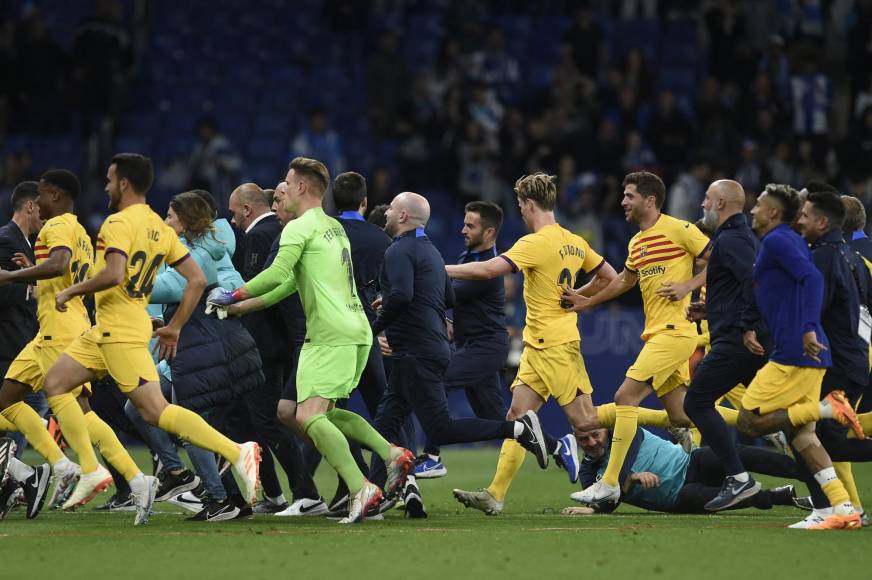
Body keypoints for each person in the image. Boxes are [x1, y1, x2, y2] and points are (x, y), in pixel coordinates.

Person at [40, 153, 260, 526]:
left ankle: (236, 452)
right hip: (111, 329)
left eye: (110, 180)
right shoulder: (158, 226)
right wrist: (174, 325)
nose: (107, 186)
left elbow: (113, 273)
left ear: (124, 183)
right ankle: (100, 470)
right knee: (56, 384)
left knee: (153, 412)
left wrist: (71, 291)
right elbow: (196, 279)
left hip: (118, 332)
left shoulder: (118, 223)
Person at [209, 157, 414, 524]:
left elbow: (276, 273)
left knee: (308, 415)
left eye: (288, 182)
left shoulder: (298, 228)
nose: (281, 191)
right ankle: (390, 453)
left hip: (329, 335)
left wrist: (233, 295)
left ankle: (360, 486)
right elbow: (289, 285)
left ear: (302, 187)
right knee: (314, 413)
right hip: (356, 331)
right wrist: (243, 307)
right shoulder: (332, 227)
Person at [371, 188, 554, 516]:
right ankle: (373, 493)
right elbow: (448, 299)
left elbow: (404, 295)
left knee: (438, 422)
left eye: (390, 210)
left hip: (438, 349)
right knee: (386, 423)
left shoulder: (405, 252)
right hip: (437, 348)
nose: (462, 230)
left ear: (402, 216)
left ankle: (506, 433)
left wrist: (374, 326)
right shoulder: (434, 252)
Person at [563, 171, 716, 506]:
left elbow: (721, 260)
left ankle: (611, 482)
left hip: (675, 333)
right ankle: (758, 424)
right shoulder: (637, 242)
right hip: (658, 334)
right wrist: (588, 300)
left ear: (649, 200)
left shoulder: (680, 229)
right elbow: (623, 281)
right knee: (681, 416)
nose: (622, 202)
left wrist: (688, 286)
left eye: (629, 195)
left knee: (625, 396)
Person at [0, 170, 140, 512]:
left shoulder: (56, 226)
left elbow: (60, 264)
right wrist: (35, 269)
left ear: (55, 196)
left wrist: (13, 276)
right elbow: (80, 274)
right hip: (62, 325)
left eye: (45, 194)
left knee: (76, 410)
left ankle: (105, 473)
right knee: (9, 400)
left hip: (57, 329)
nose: (40, 200)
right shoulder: (80, 230)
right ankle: (81, 470)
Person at [124, 190, 265, 522]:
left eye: (170, 216)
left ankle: (219, 497)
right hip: (210, 349)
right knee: (141, 406)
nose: (165, 221)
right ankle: (182, 476)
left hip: (207, 350)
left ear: (184, 221)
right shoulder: (210, 246)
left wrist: (120, 275)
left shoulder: (195, 254)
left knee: (191, 423)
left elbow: (166, 287)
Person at [735, 183, 862, 530]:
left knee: (749, 421)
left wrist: (806, 326)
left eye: (758, 204)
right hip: (806, 351)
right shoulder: (787, 242)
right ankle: (840, 506)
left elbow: (811, 279)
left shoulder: (778, 240)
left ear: (773, 212)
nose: (752, 209)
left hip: (795, 350)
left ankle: (828, 408)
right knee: (803, 436)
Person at [227, 182, 318, 516]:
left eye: (234, 212)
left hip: (267, 345)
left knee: (270, 420)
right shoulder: (272, 232)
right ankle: (279, 493)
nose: (232, 219)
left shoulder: (263, 235)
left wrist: (228, 299)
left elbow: (267, 285)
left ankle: (306, 492)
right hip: (270, 343)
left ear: (247, 209)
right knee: (254, 420)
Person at [682, 180, 772, 510]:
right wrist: (711, 307)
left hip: (737, 339)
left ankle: (738, 478)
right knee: (783, 417)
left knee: (697, 402)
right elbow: (742, 285)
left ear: (720, 203)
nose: (701, 204)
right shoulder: (735, 237)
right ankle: (822, 486)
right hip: (741, 333)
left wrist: (747, 325)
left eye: (706, 198)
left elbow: (755, 280)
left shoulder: (732, 239)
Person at [791, 190, 872, 526]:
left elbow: (818, 308)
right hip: (857, 352)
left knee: (820, 436)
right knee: (830, 436)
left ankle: (843, 507)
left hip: (843, 354)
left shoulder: (831, 257)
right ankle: (845, 507)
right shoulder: (856, 259)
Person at [415, 201, 509, 479]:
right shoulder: (466, 259)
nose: (462, 230)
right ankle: (555, 447)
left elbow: (443, 297)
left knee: (435, 380)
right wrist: (450, 323)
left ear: (489, 232)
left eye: (471, 225)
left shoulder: (488, 269)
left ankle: (432, 456)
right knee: (498, 421)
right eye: (464, 223)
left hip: (485, 348)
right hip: (471, 345)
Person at [563, 427, 797, 515]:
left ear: (608, 430)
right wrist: (595, 509)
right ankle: (781, 497)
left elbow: (616, 482)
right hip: (678, 497)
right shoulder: (588, 471)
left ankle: (807, 471)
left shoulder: (626, 432)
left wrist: (624, 479)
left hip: (691, 463)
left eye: (596, 435)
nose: (592, 442)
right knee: (713, 497)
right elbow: (606, 504)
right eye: (584, 439)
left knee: (735, 454)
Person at [0, 182, 42, 454]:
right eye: (43, 207)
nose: (46, 214)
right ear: (30, 206)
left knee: (27, 420)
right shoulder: (6, 239)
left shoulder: (27, 244)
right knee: (17, 421)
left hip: (25, 347)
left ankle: (11, 483)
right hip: (10, 347)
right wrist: (34, 290)